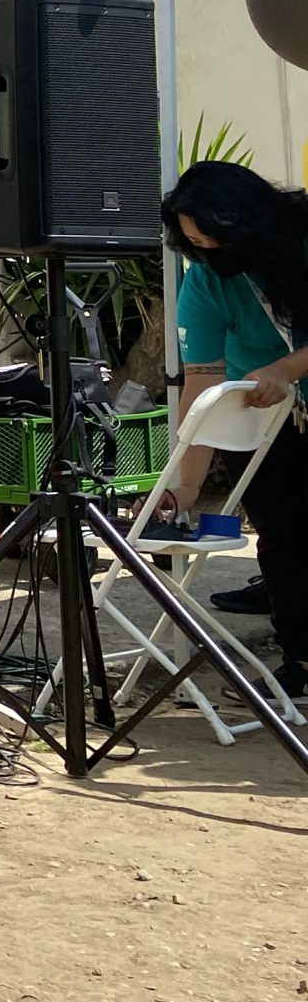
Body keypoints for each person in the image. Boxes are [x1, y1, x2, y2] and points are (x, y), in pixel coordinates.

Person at [158, 160, 308, 699]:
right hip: (264, 418)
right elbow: (202, 386)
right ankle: (301, 661)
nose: (207, 253)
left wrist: (285, 369)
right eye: (195, 244)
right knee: (284, 535)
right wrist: (184, 486)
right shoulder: (203, 282)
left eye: (215, 240)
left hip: (285, 385)